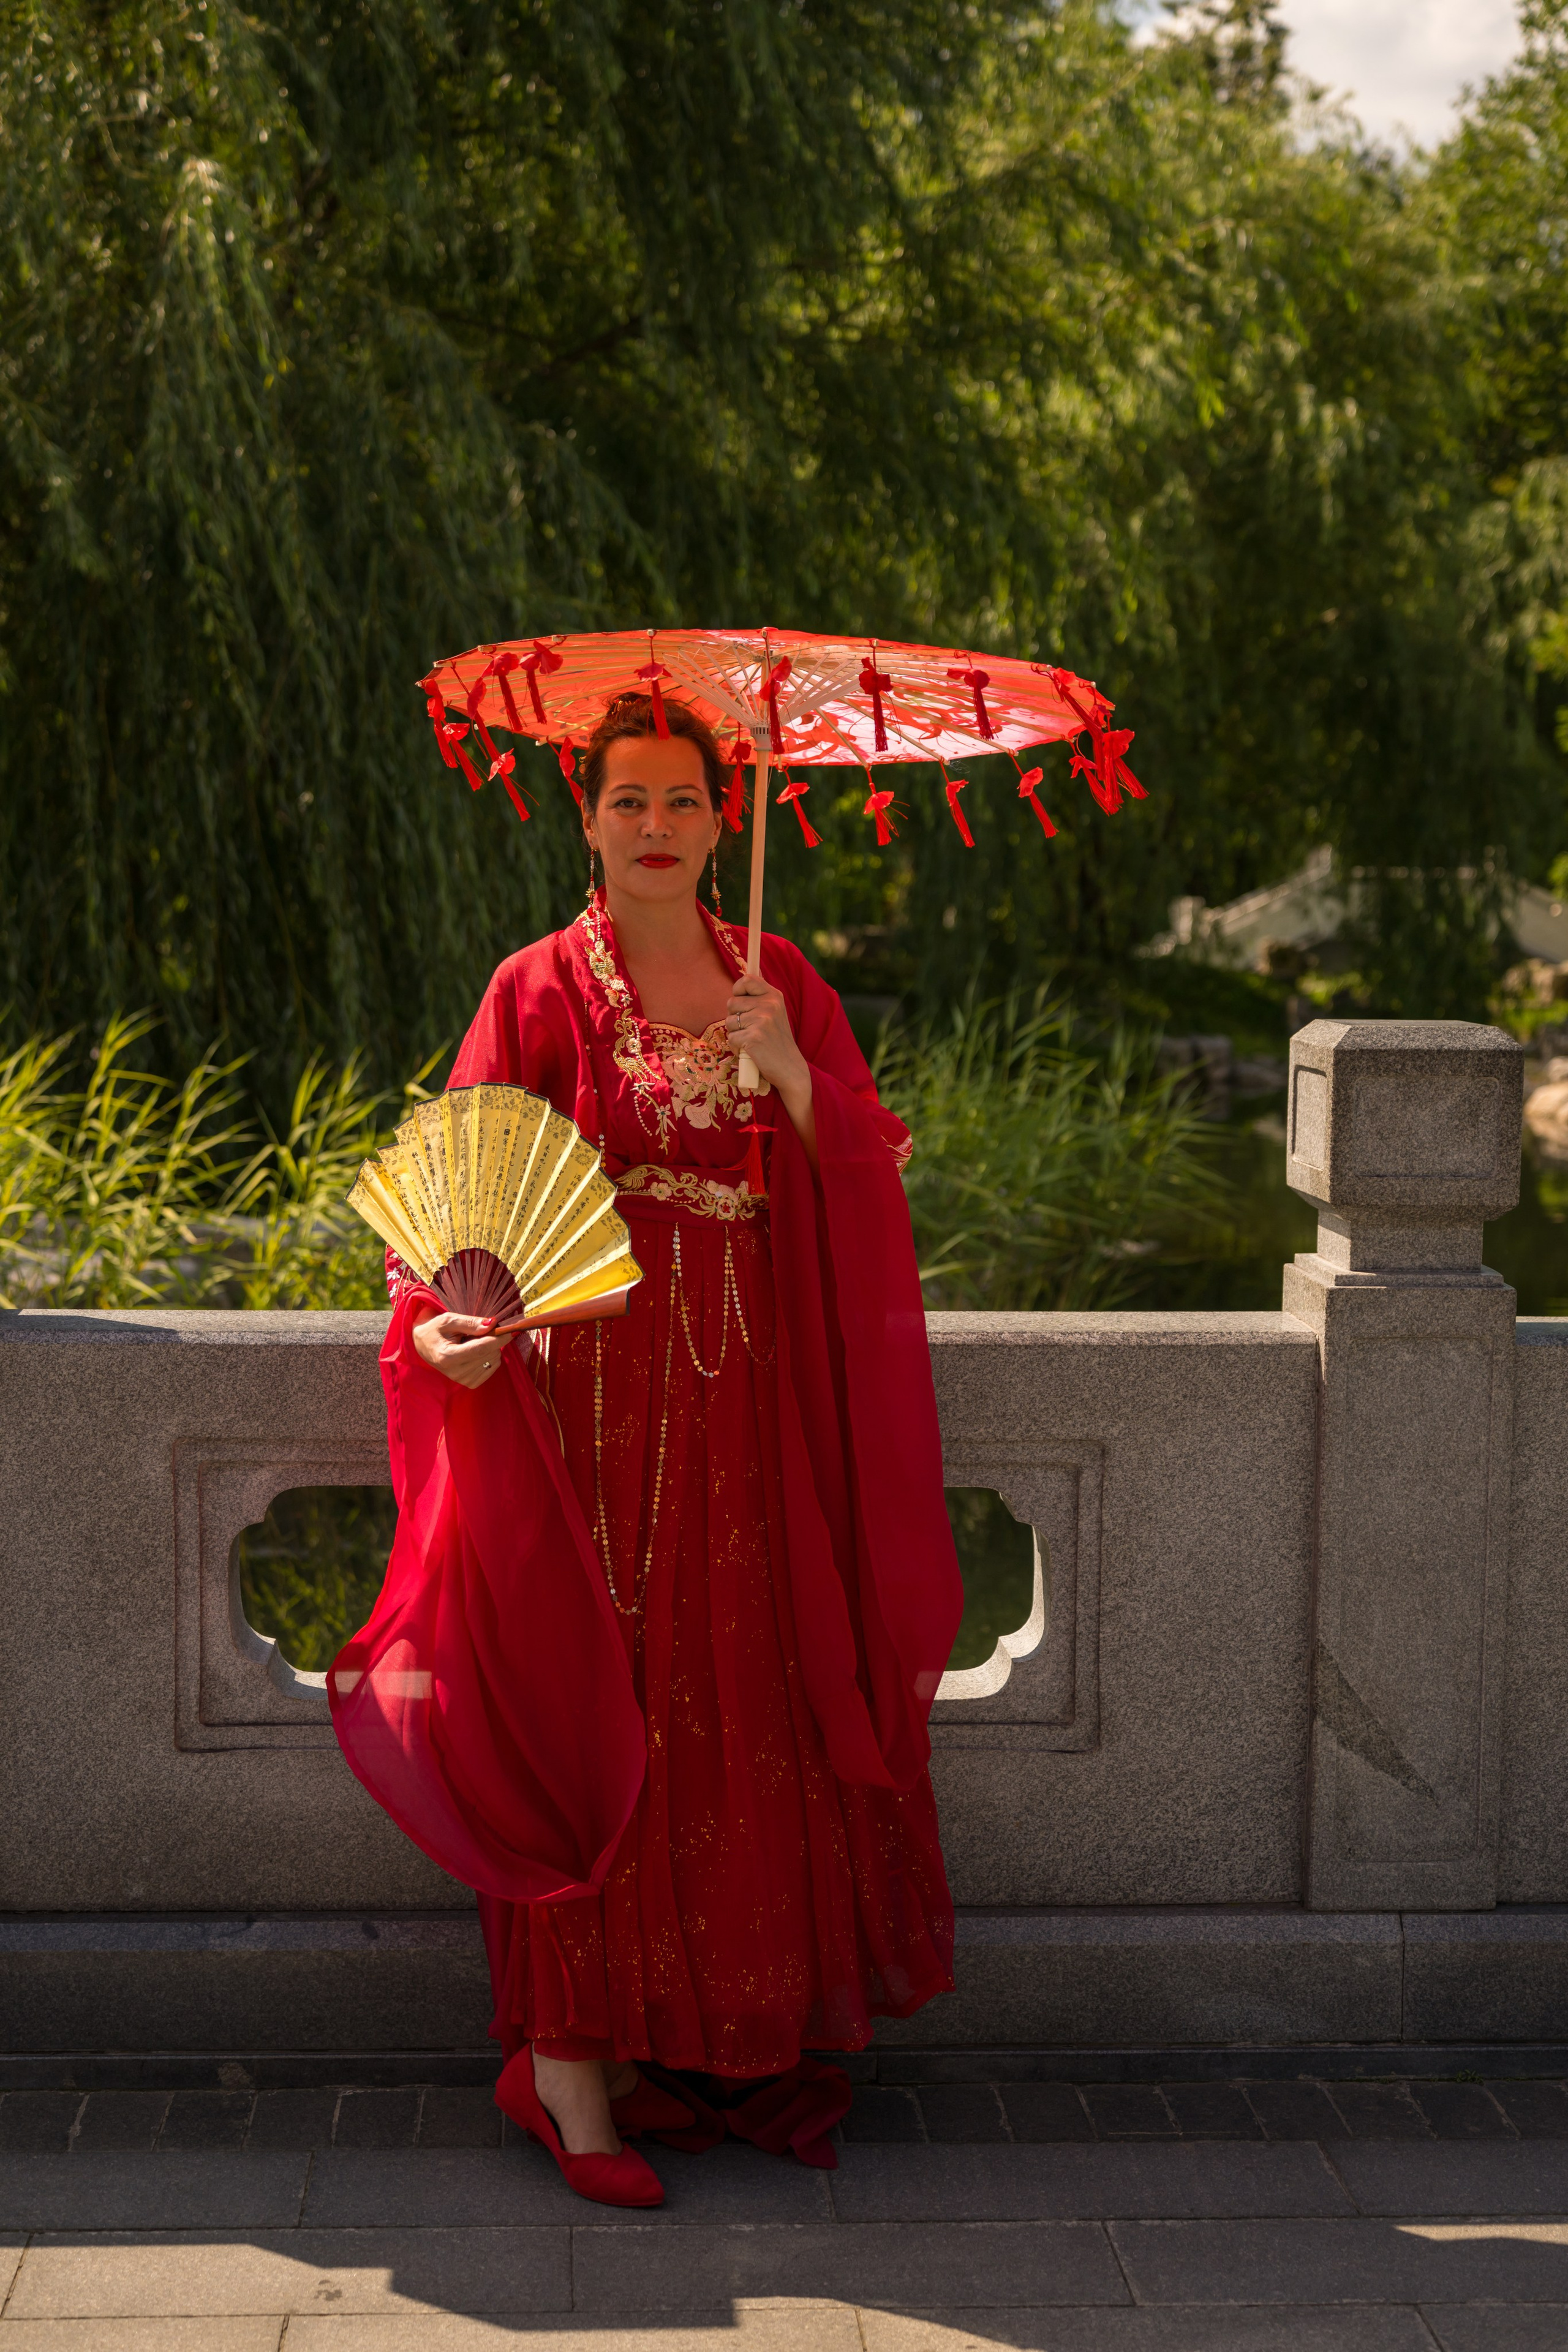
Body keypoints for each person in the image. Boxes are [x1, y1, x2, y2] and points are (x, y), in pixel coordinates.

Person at [331, 693, 963, 2207]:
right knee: (587, 1692)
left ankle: (697, 2027)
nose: (659, 828)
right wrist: (437, 1330)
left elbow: (863, 1179)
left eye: (684, 801)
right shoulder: (538, 986)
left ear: (721, 821)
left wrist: (790, 1072)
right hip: (592, 1400)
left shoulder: (782, 980)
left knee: (734, 1686)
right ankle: (567, 2075)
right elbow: (467, 1191)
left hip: (750, 1397)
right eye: (630, 802)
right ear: (588, 817)